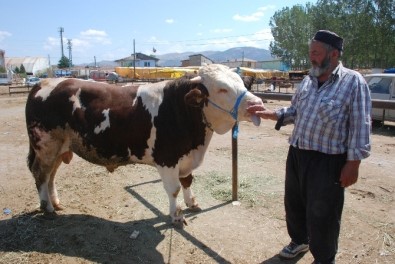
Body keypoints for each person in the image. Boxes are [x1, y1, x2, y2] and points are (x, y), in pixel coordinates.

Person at [247, 30, 371, 264]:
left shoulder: (353, 82)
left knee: (323, 214)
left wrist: (353, 164)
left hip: (328, 162)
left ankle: (324, 258)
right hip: (297, 154)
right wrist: (270, 114)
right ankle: (299, 241)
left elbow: (360, 126)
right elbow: (295, 112)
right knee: (294, 204)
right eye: (310, 52)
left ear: (334, 54)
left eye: (316, 52)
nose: (311, 57)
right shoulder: (308, 80)